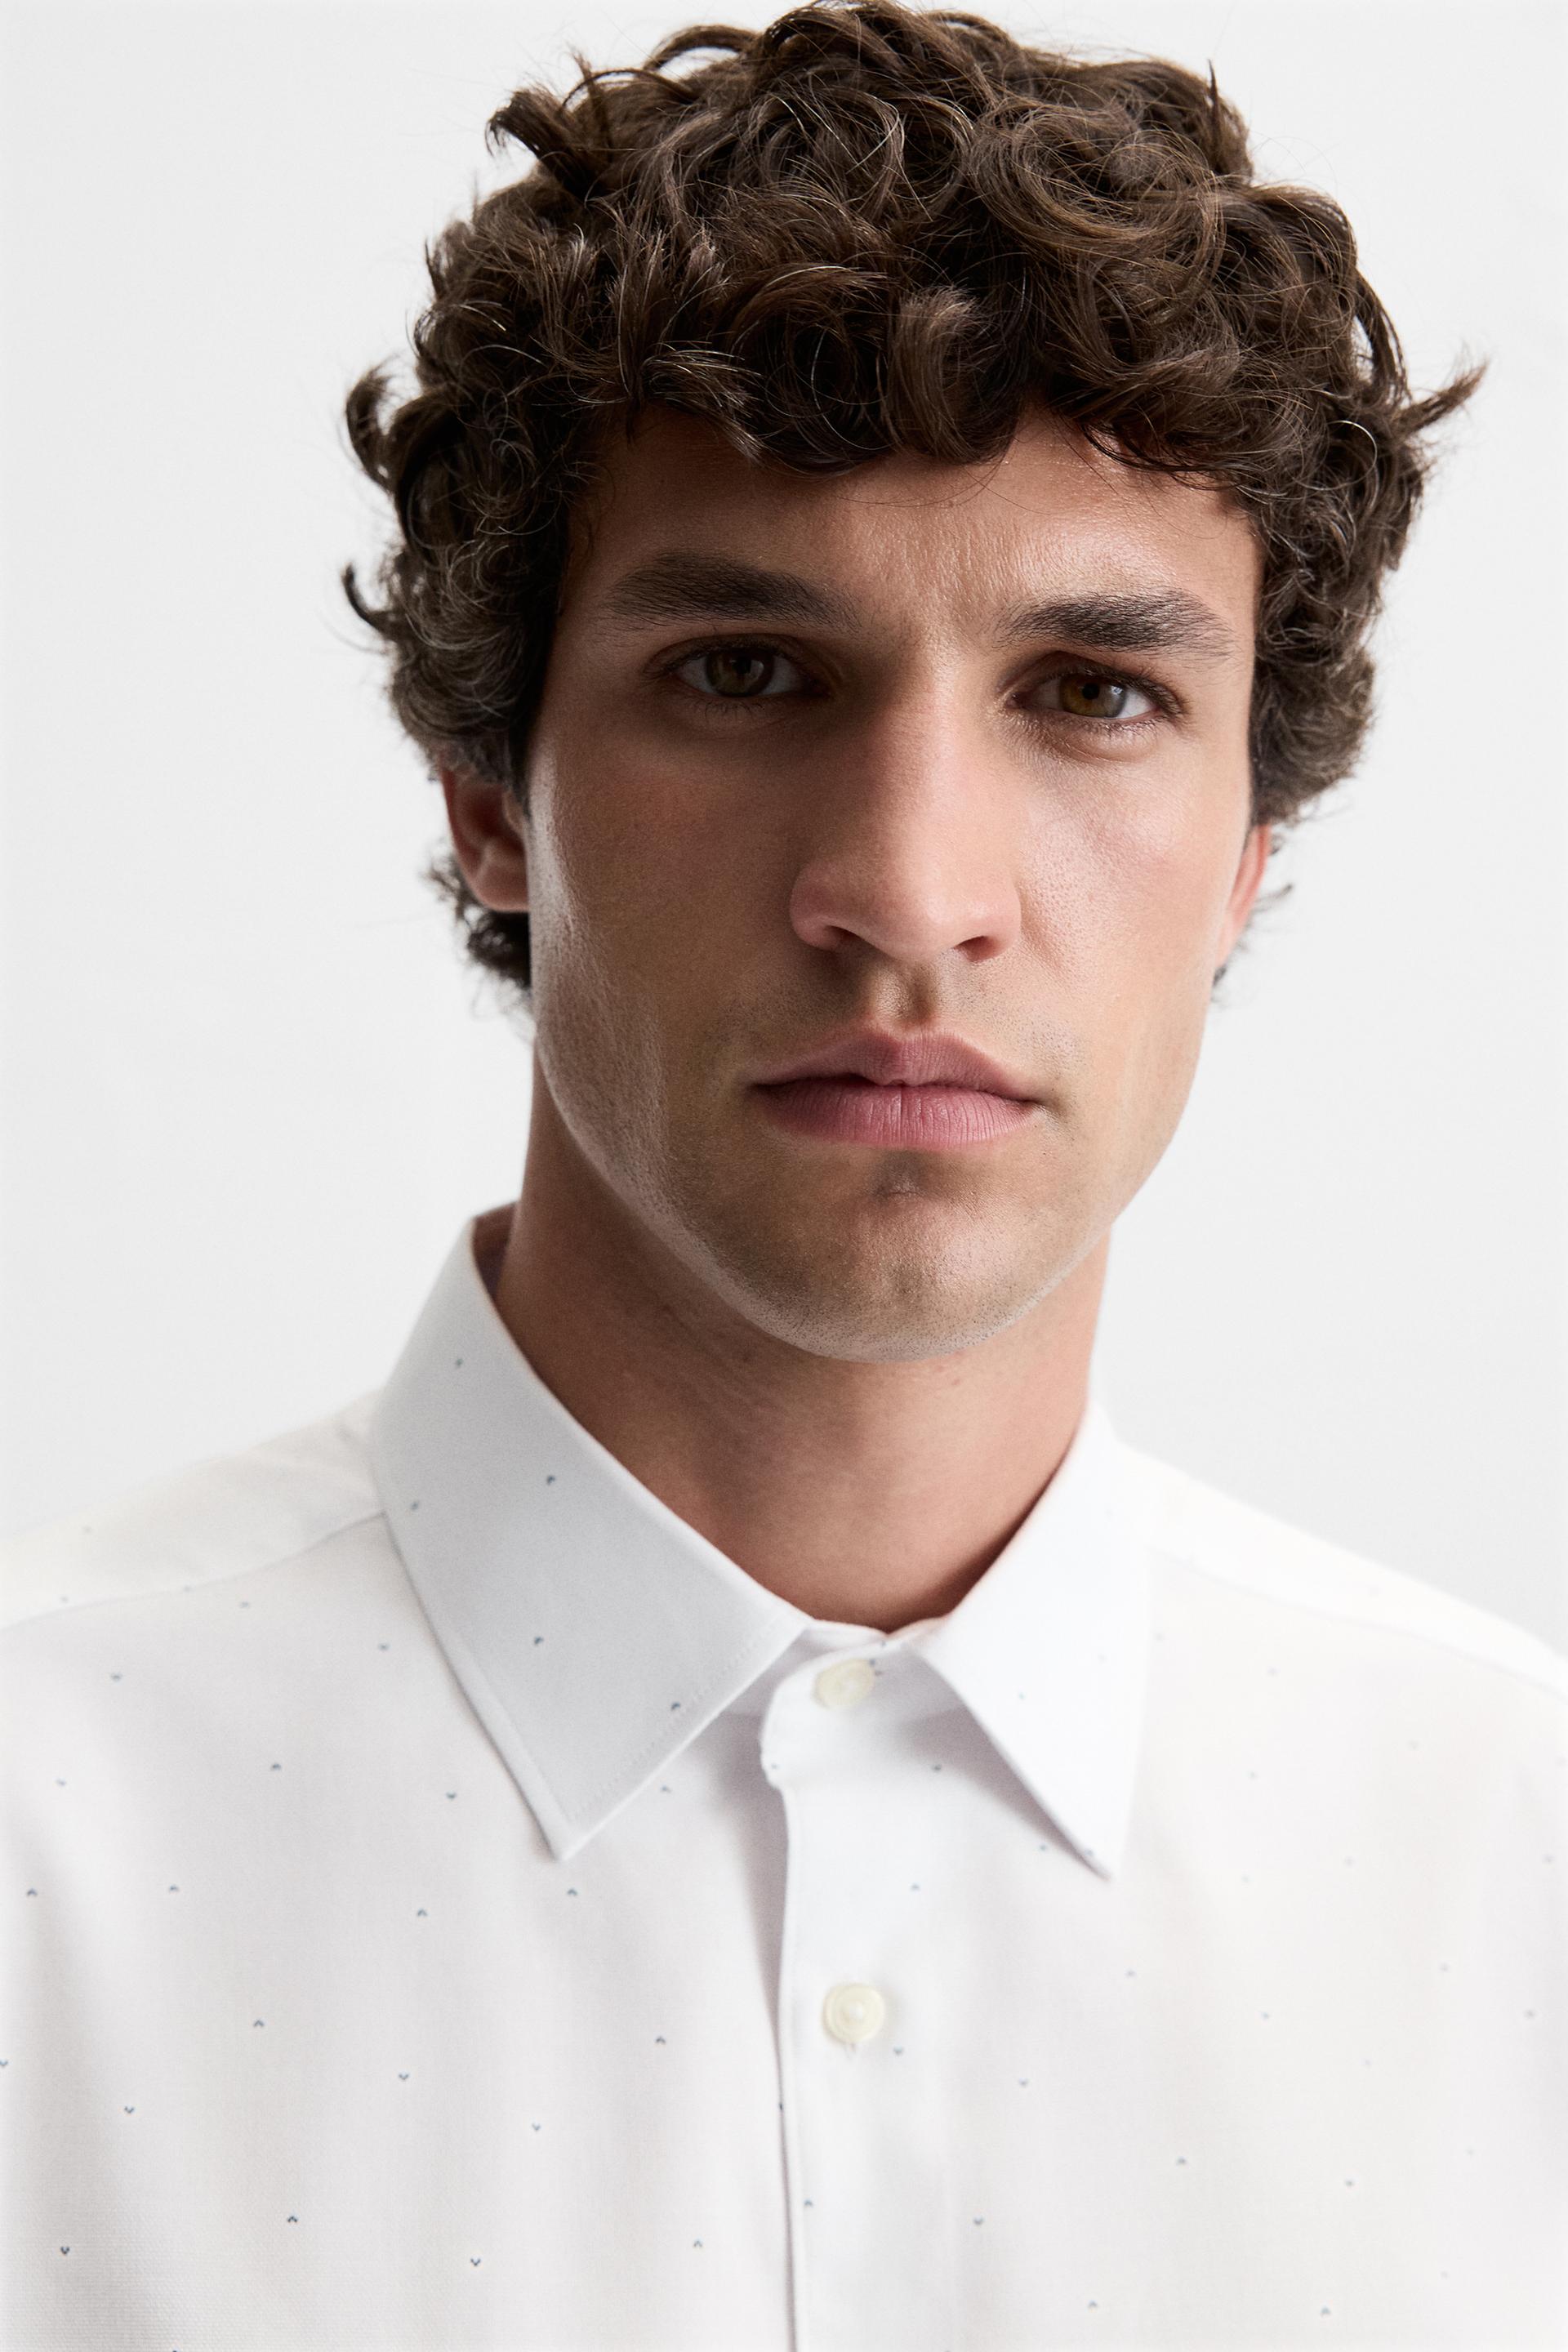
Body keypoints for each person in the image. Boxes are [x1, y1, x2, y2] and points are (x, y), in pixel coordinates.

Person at [4, 5, 1562, 2345]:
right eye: (746, 672)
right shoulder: (35, 1841)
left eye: (1095, 693)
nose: (911, 892)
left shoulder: (1517, 1873)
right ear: (487, 792)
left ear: (1253, 848)